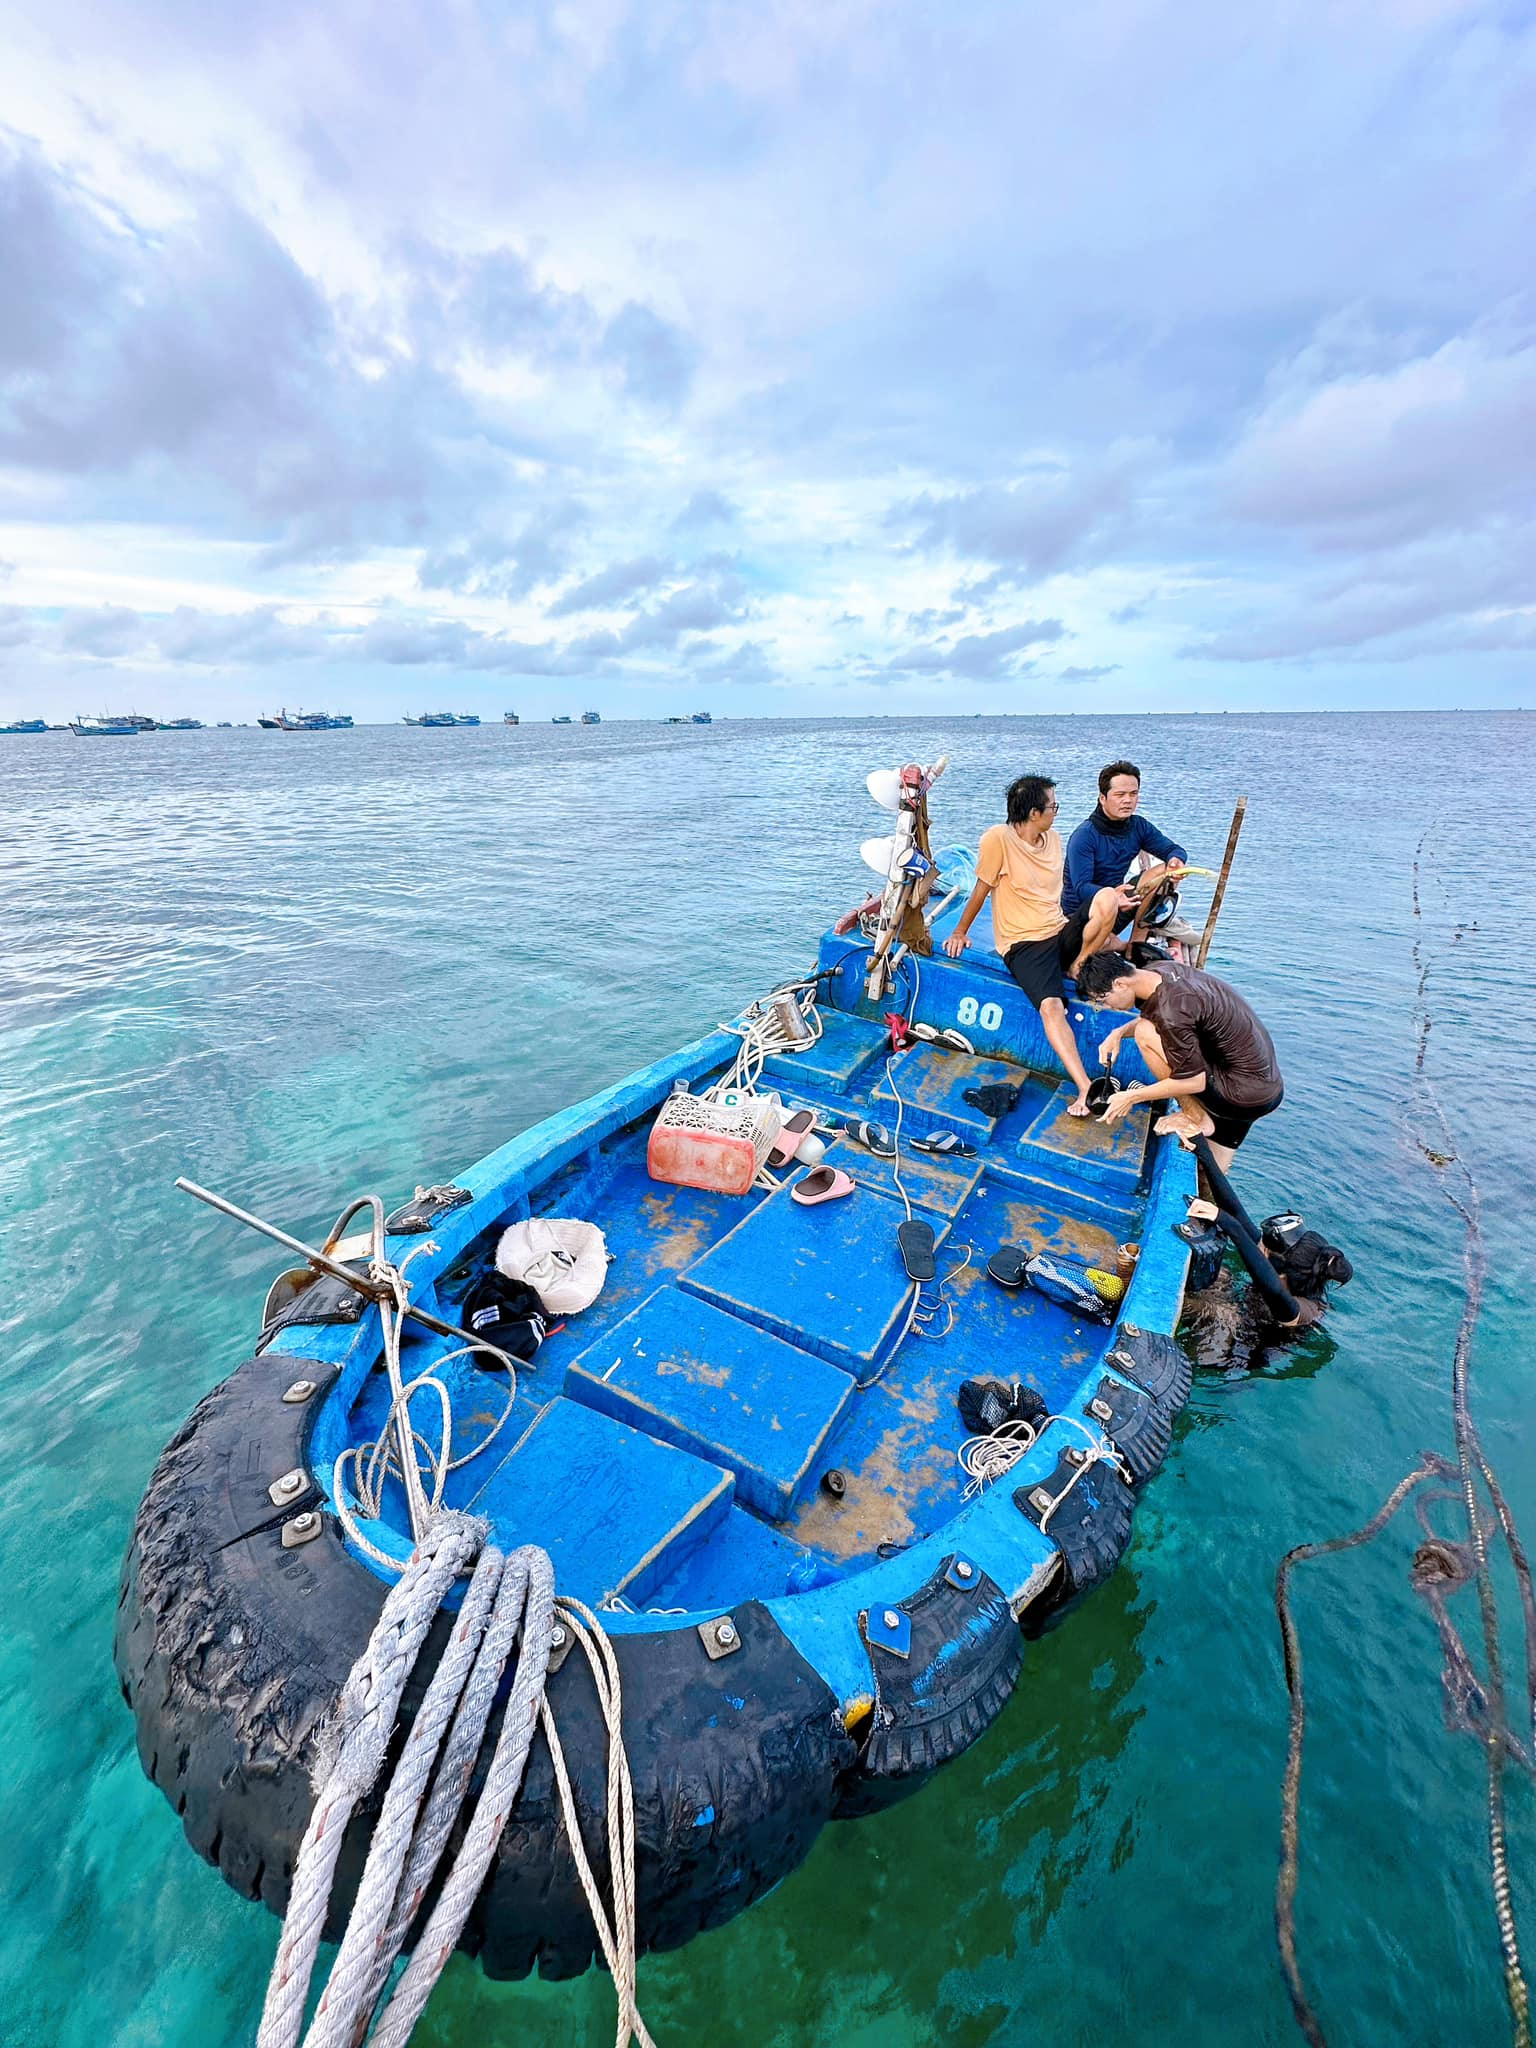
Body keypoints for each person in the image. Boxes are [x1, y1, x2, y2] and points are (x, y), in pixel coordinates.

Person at [943, 774, 1128, 1116]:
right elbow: (981, 889)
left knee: (1107, 899)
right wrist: (960, 931)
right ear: (1032, 813)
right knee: (1051, 1008)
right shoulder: (998, 839)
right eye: (1052, 806)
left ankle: (1078, 963)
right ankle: (1085, 1086)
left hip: (1058, 930)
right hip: (1024, 944)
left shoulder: (1054, 839)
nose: (1056, 812)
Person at [1075, 950, 1284, 1170]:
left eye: (1102, 1000)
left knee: (1145, 1033)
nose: (1106, 1007)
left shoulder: (1172, 1009)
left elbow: (1195, 1081)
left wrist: (1132, 1096)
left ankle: (1194, 1116)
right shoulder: (1161, 971)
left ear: (1119, 984)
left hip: (1237, 1095)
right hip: (1261, 1089)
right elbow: (1170, 1017)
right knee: (1210, 1176)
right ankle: (1209, 1129)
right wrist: (1118, 1033)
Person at [1064, 760, 1187, 945]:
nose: (1128, 800)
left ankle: (1136, 944)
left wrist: (1176, 861)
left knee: (1165, 871)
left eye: (1133, 794)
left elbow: (1173, 850)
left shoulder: (1138, 826)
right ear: (1102, 798)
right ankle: (1116, 945)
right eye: (1120, 794)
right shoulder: (1084, 836)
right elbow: (1082, 887)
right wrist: (1112, 897)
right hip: (1083, 915)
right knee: (1103, 944)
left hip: (1119, 907)